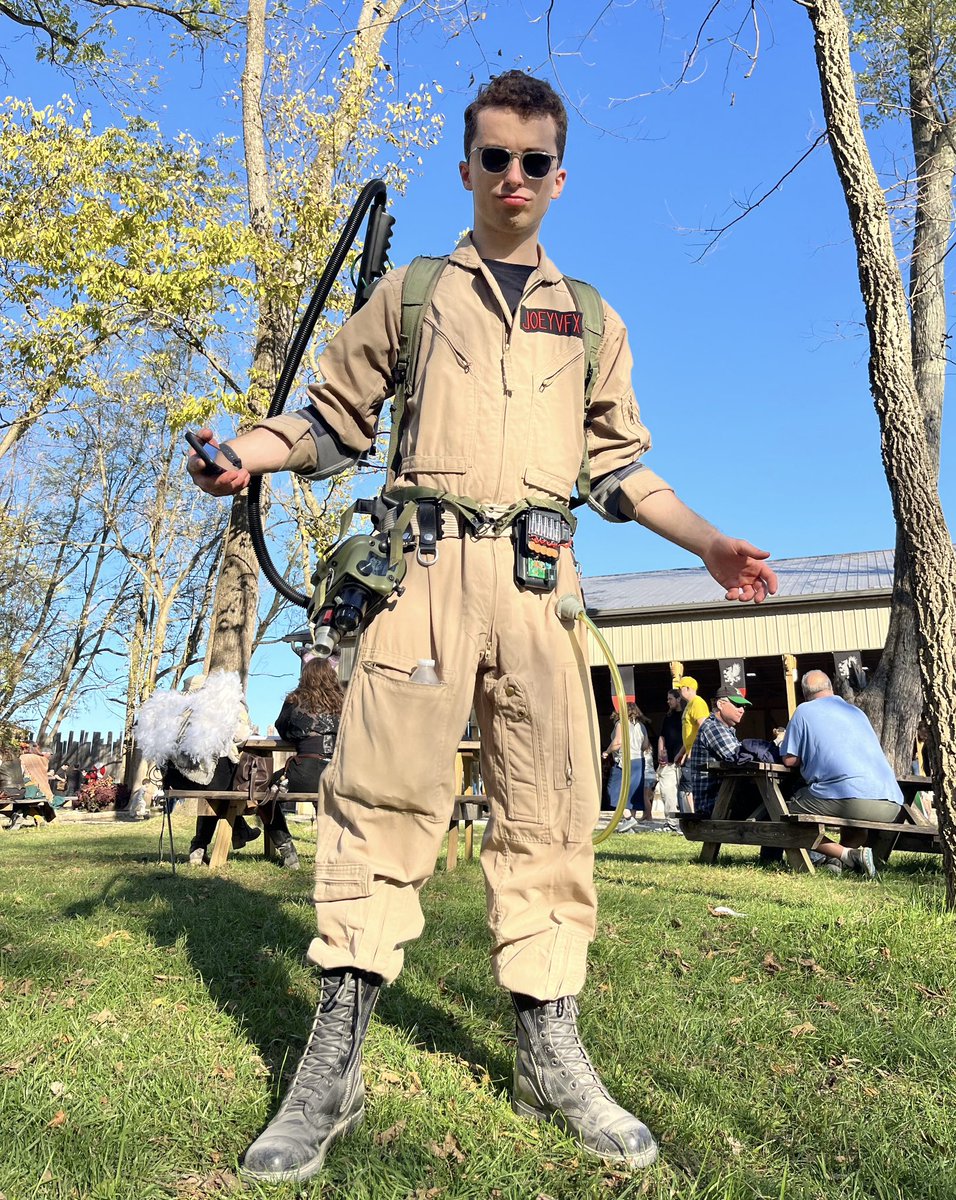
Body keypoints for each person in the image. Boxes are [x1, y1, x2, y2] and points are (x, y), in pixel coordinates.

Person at [187, 72, 777, 1180]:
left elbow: (617, 467)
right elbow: (327, 424)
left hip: (541, 581)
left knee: (550, 807)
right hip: (420, 572)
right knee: (378, 798)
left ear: (560, 177)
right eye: (494, 158)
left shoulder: (590, 316)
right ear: (466, 168)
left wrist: (703, 542)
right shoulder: (411, 295)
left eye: (534, 162)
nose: (514, 178)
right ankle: (333, 1066)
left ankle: (548, 1055)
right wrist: (245, 457)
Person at [780, 670, 902, 879]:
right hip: (891, 804)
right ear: (831, 688)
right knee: (854, 821)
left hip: (850, 799)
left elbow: (790, 760)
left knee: (785, 813)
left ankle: (846, 854)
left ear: (804, 693)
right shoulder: (856, 712)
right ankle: (836, 863)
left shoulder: (804, 711)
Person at [267, 657, 346, 870]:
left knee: (264, 792)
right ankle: (332, 852)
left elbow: (283, 728)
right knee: (326, 799)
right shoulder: (344, 701)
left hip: (305, 771)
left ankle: (286, 848)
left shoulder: (295, 700)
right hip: (339, 774)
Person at [678, 686, 752, 815]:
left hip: (723, 800)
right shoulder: (713, 727)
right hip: (715, 804)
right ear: (720, 704)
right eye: (737, 704)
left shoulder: (724, 728)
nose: (742, 710)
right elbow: (740, 759)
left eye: (744, 707)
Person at [601, 702, 649, 831]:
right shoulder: (641, 726)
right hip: (639, 760)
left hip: (624, 760)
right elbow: (645, 746)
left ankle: (628, 818)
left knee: (614, 790)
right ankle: (630, 827)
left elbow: (617, 742)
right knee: (633, 792)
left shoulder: (621, 723)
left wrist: (607, 751)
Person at [657, 688, 684, 815]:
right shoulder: (667, 717)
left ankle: (686, 820)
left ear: (678, 699)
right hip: (669, 761)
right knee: (666, 790)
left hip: (684, 760)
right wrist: (660, 752)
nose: (668, 701)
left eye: (670, 699)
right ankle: (671, 820)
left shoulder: (686, 715)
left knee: (685, 791)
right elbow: (662, 736)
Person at [675, 676, 709, 767]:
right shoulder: (688, 705)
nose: (678, 691)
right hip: (691, 753)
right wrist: (681, 752)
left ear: (688, 688)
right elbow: (689, 733)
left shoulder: (697, 702)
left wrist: (692, 750)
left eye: (680, 688)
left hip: (696, 754)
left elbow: (704, 728)